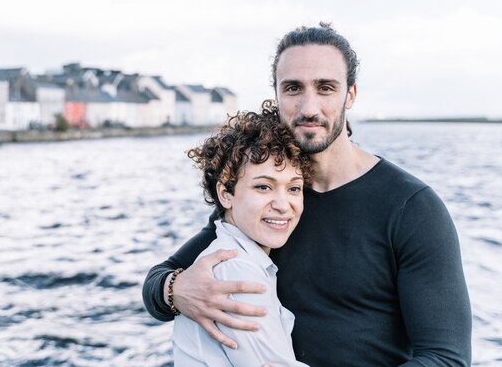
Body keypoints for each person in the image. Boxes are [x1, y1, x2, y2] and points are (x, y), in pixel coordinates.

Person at [143, 23, 472, 366]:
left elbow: (445, 358)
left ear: (351, 94)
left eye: (326, 88)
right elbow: (160, 279)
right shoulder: (266, 204)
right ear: (277, 94)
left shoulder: (412, 208)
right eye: (293, 88)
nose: (308, 107)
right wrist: (175, 290)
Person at [173, 101, 311, 366]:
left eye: (294, 189)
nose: (283, 205)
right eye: (263, 187)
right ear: (226, 194)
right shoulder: (235, 269)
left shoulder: (243, 259)